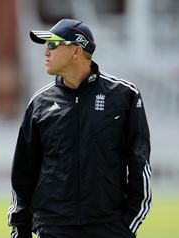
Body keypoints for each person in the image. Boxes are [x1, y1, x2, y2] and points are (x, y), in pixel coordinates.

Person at [8, 19, 151, 238]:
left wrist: (126, 226)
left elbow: (139, 163)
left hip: (109, 228)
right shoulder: (39, 102)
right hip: (54, 228)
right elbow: (23, 174)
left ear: (76, 50)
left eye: (53, 45)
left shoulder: (125, 96)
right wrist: (21, 229)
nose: (45, 52)